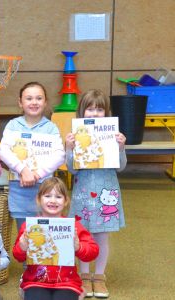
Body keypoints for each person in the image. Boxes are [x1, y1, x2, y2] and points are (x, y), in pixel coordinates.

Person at [65, 89, 127, 298]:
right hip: (83, 193)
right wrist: (69, 148)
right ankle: (84, 276)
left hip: (106, 193)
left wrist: (120, 147)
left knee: (102, 236)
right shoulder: (76, 135)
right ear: (82, 112)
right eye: (89, 109)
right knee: (84, 234)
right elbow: (72, 169)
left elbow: (120, 167)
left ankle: (99, 277)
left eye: (99, 109)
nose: (94, 113)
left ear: (106, 113)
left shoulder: (113, 136)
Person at [13, 178, 99, 300]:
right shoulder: (30, 227)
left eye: (58, 197)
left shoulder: (73, 226)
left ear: (65, 201)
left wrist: (79, 247)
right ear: (38, 199)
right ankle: (25, 289)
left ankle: (79, 291)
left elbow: (93, 252)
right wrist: (22, 247)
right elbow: (17, 256)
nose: (53, 200)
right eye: (47, 196)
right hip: (36, 281)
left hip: (66, 282)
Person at [0, 82, 65, 231]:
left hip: (46, 191)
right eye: (29, 98)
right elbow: (4, 151)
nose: (34, 102)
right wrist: (23, 170)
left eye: (39, 98)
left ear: (45, 102)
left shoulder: (51, 128)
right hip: (18, 189)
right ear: (20, 102)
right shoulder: (13, 125)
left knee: (46, 233)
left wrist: (37, 174)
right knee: (24, 233)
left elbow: (60, 155)